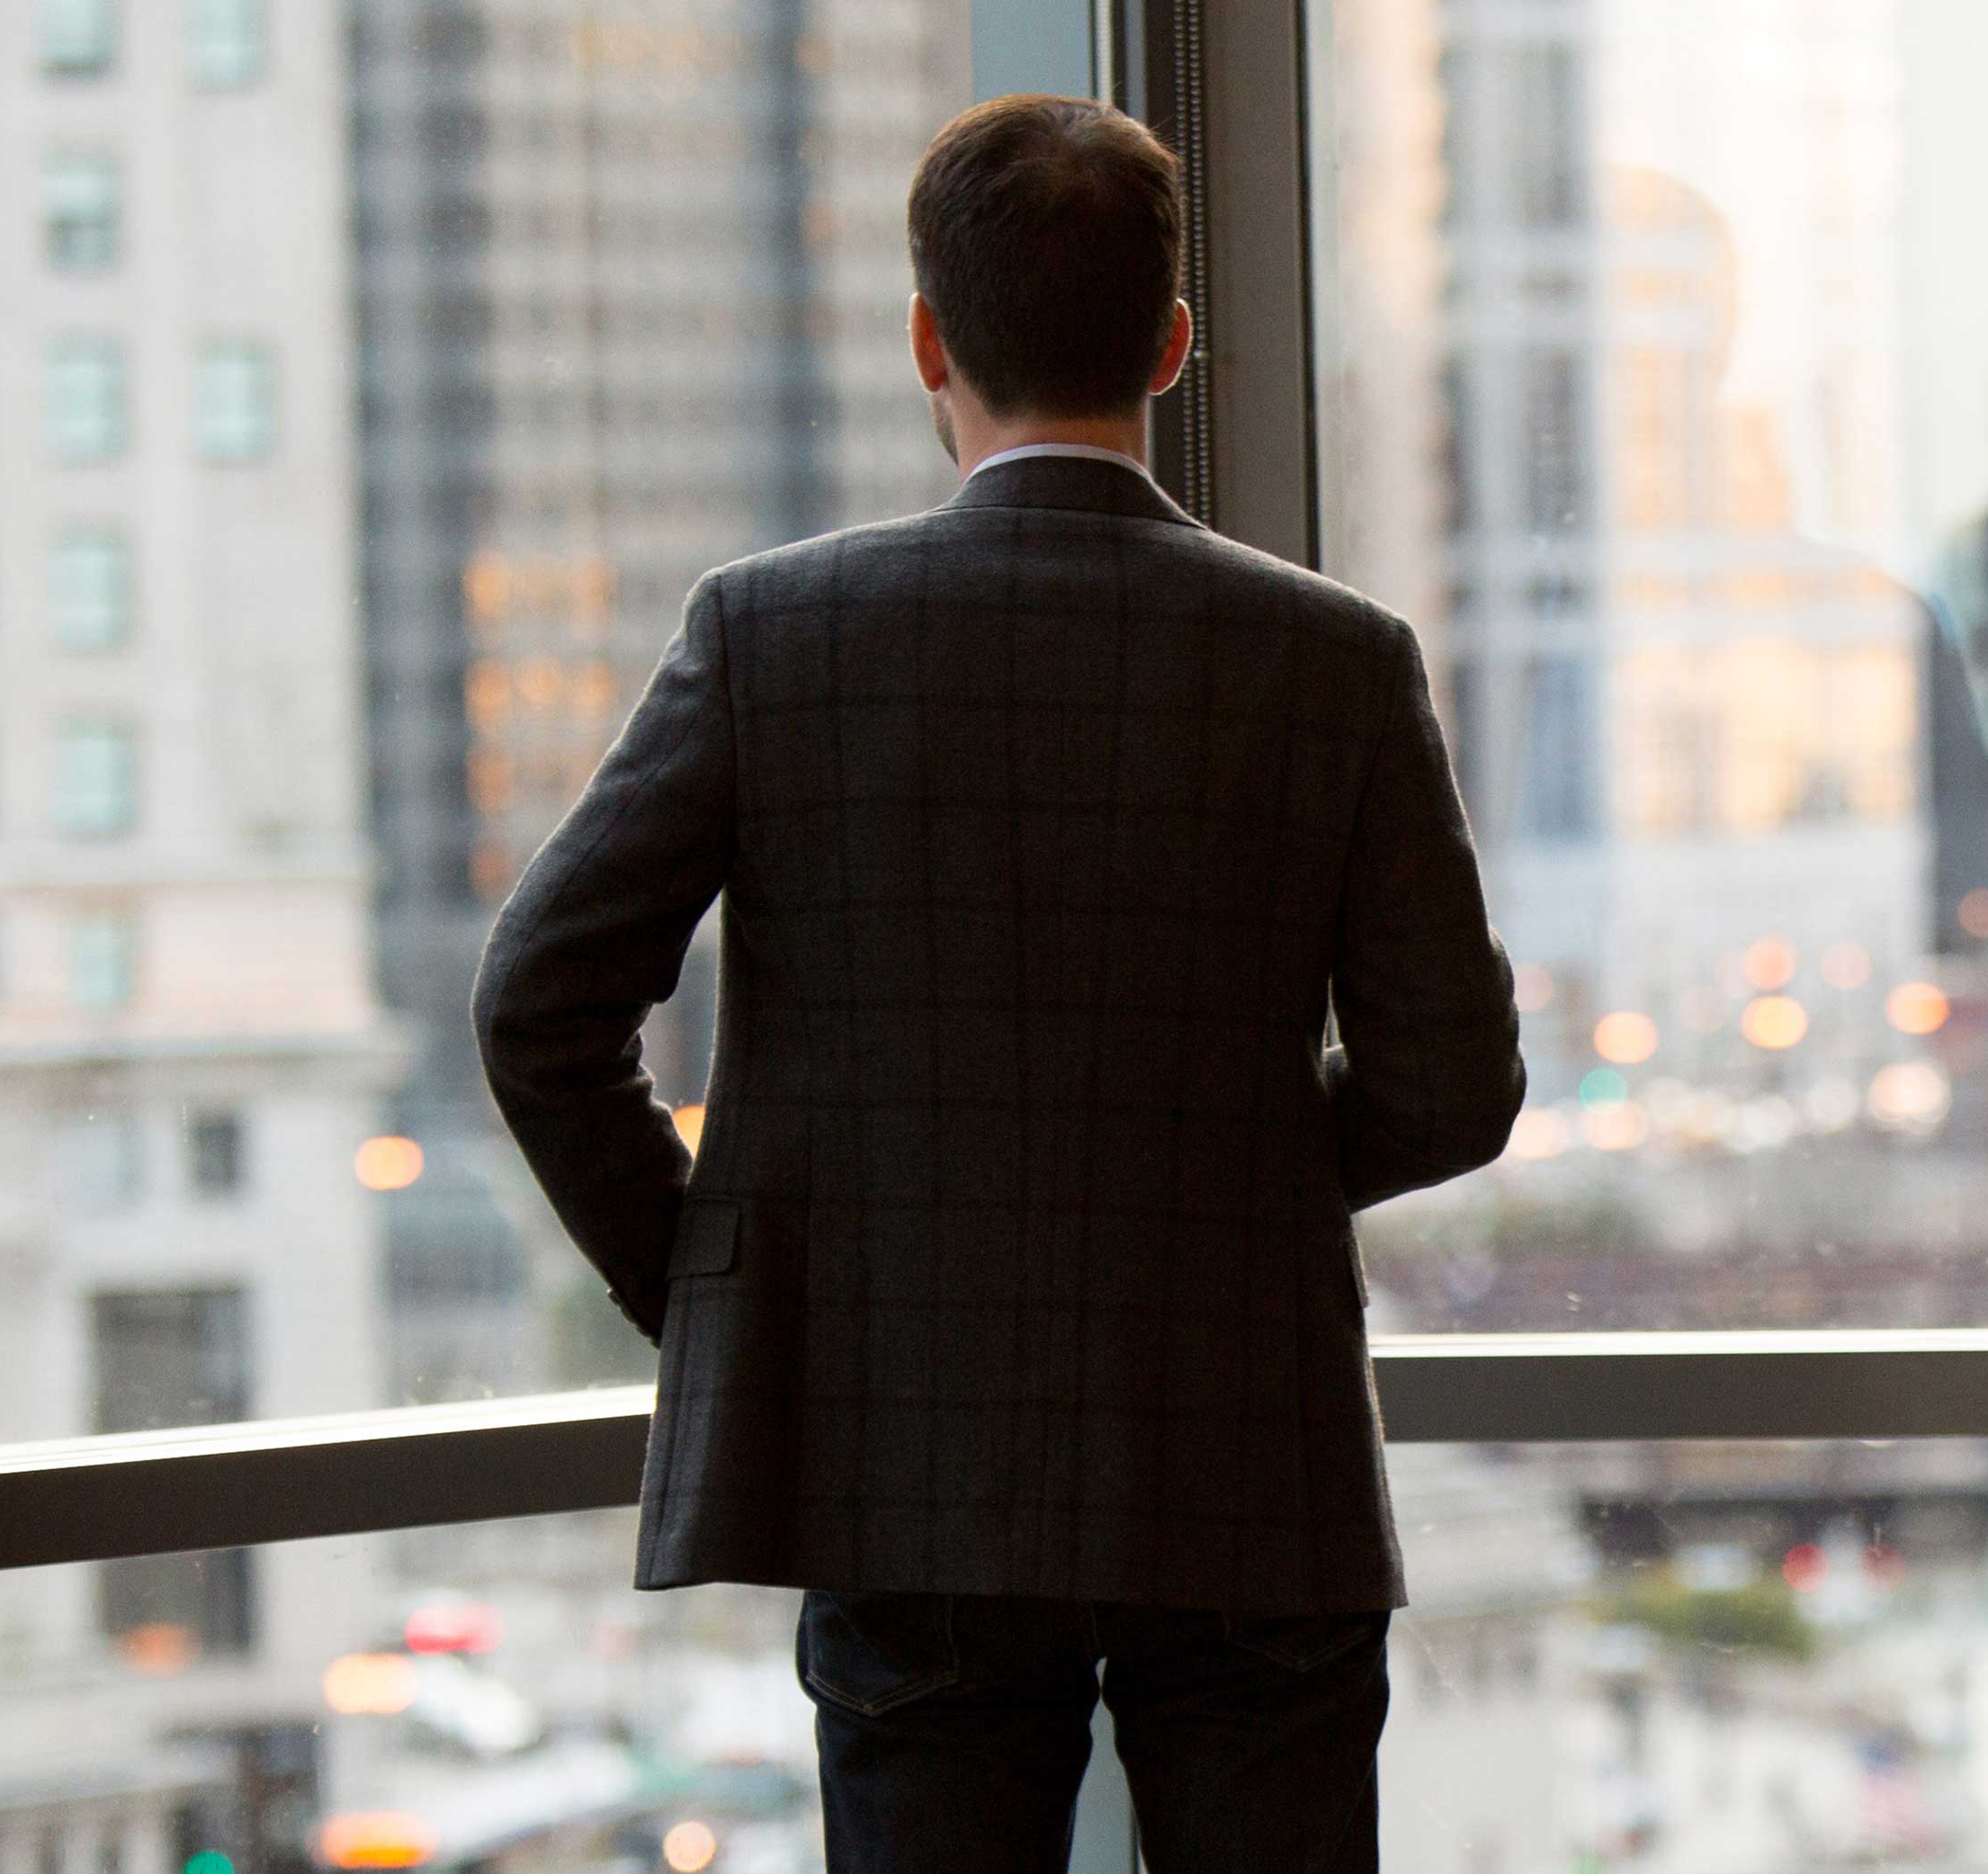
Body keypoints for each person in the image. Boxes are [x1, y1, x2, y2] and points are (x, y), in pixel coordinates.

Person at [470, 94, 1524, 1873]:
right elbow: (1451, 1084)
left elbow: (536, 1008)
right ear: (1176, 347)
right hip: (1249, 1462)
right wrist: (1203, 1183)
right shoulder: (1337, 662)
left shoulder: (768, 635)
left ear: (925, 343)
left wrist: (753, 1297)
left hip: (909, 1456)